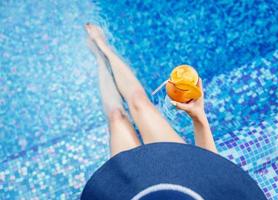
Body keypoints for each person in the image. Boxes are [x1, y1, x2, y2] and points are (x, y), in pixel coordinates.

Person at [81, 23, 266, 200]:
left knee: (116, 118)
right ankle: (104, 48)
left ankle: (99, 57)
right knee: (139, 103)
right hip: (179, 172)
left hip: (134, 189)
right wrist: (198, 116)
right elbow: (211, 172)